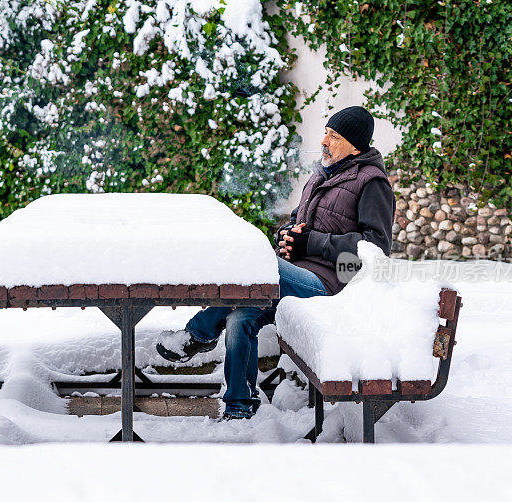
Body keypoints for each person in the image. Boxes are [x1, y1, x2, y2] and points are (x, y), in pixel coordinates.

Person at [156, 105, 395, 420]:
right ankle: (239, 408)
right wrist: (288, 237)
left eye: (333, 136)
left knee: (255, 266)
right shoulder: (322, 174)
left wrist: (312, 243)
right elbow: (299, 222)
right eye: (325, 132)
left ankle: (197, 335)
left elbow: (376, 248)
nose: (324, 140)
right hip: (298, 274)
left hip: (333, 286)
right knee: (241, 317)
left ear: (355, 145)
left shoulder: (371, 182)